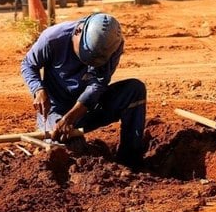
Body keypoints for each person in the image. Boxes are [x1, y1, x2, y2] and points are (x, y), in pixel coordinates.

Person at [20, 12, 147, 166]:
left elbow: (98, 85)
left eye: (96, 60)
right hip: (56, 110)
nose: (91, 64)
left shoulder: (113, 45)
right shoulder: (53, 38)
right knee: (67, 150)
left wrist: (71, 118)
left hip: (88, 108)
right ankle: (59, 134)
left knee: (134, 91)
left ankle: (130, 160)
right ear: (78, 32)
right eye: (87, 55)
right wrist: (38, 89)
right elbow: (28, 65)